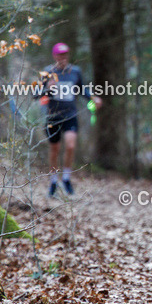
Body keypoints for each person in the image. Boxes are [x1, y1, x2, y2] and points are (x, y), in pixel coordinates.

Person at [37, 43, 102, 197]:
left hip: (70, 115)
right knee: (55, 149)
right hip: (53, 116)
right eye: (60, 55)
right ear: (54, 56)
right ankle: (53, 181)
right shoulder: (47, 72)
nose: (63, 58)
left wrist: (93, 98)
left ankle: (66, 178)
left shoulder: (75, 72)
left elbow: (82, 89)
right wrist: (47, 89)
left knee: (71, 145)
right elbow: (36, 94)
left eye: (65, 55)